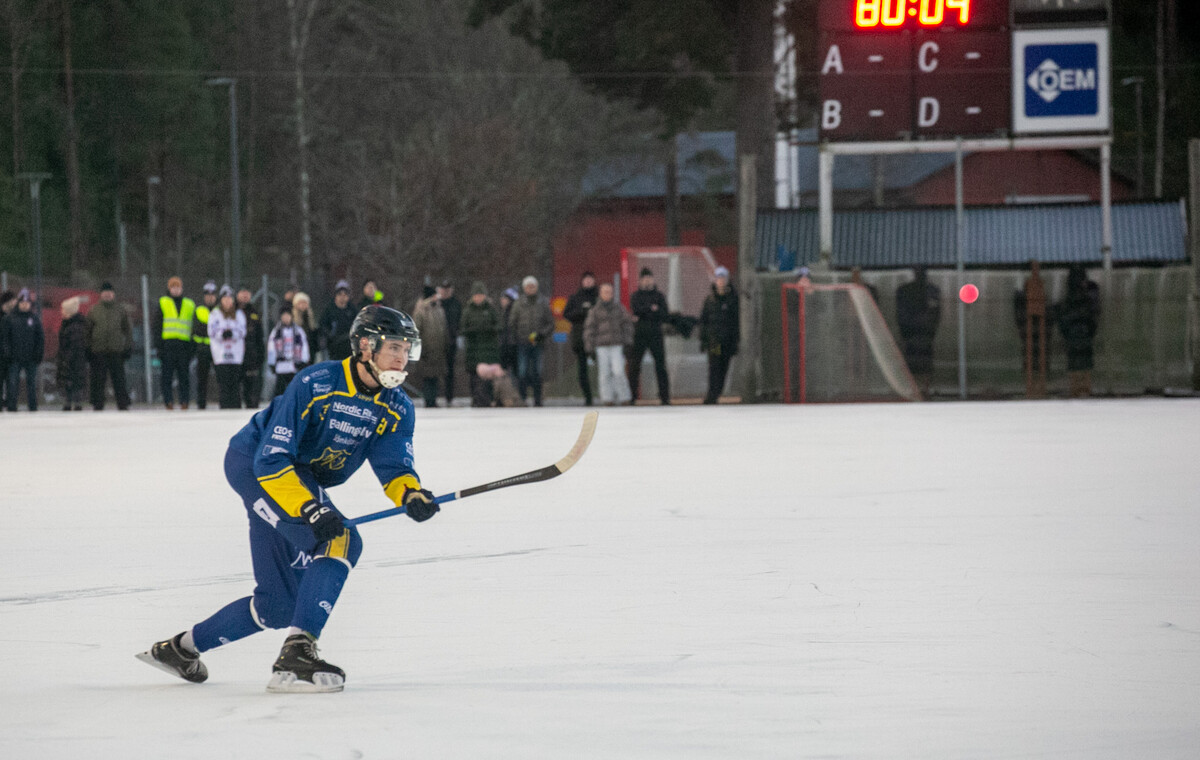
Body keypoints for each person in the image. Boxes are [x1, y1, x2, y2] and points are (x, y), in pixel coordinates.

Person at [137, 305, 437, 693]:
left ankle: (179, 650)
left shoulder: (397, 406)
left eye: (407, 350)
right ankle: (299, 651)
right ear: (365, 345)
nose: (402, 358)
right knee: (342, 540)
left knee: (277, 606)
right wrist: (309, 507)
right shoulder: (317, 383)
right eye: (394, 347)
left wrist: (410, 493)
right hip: (255, 464)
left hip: (297, 476)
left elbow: (394, 465)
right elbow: (272, 458)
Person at [583, 282, 634, 406]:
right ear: (600, 293)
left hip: (617, 344)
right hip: (601, 346)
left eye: (610, 292)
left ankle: (624, 397)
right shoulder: (595, 310)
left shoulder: (619, 308)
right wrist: (589, 347)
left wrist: (628, 342)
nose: (608, 294)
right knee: (604, 373)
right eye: (605, 292)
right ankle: (607, 399)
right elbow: (589, 329)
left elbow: (627, 325)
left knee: (619, 371)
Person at [508, 276, 554, 406]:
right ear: (524, 288)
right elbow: (512, 323)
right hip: (522, 343)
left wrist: (541, 334)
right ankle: (522, 398)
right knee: (522, 372)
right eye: (528, 286)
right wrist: (516, 338)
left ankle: (538, 399)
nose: (530, 289)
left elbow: (550, 323)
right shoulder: (518, 304)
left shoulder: (543, 303)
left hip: (538, 343)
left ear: (536, 287)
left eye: (533, 286)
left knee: (537, 372)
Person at [1056, 264, 1100, 398]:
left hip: (1073, 333)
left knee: (1074, 363)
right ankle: (1084, 388)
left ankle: (1076, 389)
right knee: (1084, 363)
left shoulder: (1069, 299)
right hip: (1083, 332)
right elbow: (1093, 317)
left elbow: (1063, 318)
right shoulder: (1087, 298)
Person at [895, 266, 941, 396]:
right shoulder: (905, 290)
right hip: (914, 332)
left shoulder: (931, 290)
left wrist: (929, 328)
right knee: (913, 361)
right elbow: (901, 313)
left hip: (923, 332)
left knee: (924, 361)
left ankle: (922, 389)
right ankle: (915, 389)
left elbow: (935, 312)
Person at [86, 282, 132, 411]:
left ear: (113, 294)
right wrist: (88, 348)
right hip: (98, 350)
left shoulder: (121, 310)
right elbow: (87, 331)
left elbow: (127, 330)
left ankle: (123, 403)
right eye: (105, 292)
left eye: (110, 292)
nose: (107, 295)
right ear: (101, 294)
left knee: (119, 379)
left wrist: (127, 347)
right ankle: (97, 403)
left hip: (116, 350)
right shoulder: (93, 310)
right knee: (98, 380)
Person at [628, 267, 670, 405]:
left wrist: (644, 312)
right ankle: (632, 397)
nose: (647, 281)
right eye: (644, 279)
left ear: (653, 280)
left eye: (649, 278)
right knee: (634, 366)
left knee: (660, 366)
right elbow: (636, 310)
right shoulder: (635, 296)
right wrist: (652, 309)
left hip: (656, 334)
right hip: (639, 335)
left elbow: (664, 314)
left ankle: (665, 397)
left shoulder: (659, 296)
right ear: (640, 281)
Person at [699, 266, 739, 405]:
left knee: (723, 367)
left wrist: (735, 341)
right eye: (718, 278)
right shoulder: (709, 300)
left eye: (723, 278)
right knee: (714, 366)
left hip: (727, 341)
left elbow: (736, 322)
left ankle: (717, 392)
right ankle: (712, 394)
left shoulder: (733, 299)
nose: (720, 281)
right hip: (714, 341)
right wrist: (704, 340)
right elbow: (704, 321)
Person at [154, 276, 195, 409]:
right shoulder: (163, 302)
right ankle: (168, 401)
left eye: (178, 287)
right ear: (169, 289)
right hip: (168, 345)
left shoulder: (189, 304)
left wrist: (192, 347)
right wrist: (159, 346)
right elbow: (157, 325)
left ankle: (184, 401)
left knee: (184, 376)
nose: (176, 290)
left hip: (184, 345)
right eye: (173, 287)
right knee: (167, 376)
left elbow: (193, 326)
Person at [459, 281, 501, 407]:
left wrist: (489, 330)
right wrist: (472, 331)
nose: (478, 298)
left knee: (488, 377)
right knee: (474, 376)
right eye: (476, 296)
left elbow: (499, 325)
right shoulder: (467, 311)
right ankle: (476, 398)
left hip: (489, 349)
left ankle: (488, 399)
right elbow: (462, 328)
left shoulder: (491, 309)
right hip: (473, 349)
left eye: (481, 295)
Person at [2, 289, 44, 411]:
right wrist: (7, 353)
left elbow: (40, 338)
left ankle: (33, 407)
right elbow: (5, 338)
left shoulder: (34, 319)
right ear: (18, 303)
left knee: (31, 383)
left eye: (27, 303)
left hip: (31, 358)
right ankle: (12, 407)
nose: (24, 305)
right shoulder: (9, 318)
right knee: (13, 383)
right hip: (14, 358)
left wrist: (38, 354)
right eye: (22, 303)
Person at [209, 286, 248, 409]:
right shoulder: (215, 314)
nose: (227, 301)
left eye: (229, 299)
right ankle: (224, 407)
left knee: (235, 383)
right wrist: (222, 334)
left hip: (236, 354)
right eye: (225, 299)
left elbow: (242, 330)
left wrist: (233, 334)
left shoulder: (239, 314)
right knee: (223, 384)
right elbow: (211, 331)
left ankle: (236, 407)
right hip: (221, 355)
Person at [563, 272, 599, 406]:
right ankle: (588, 397)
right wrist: (582, 312)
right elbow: (566, 314)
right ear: (582, 282)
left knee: (604, 367)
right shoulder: (575, 297)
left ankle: (607, 395)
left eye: (590, 279)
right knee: (582, 370)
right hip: (580, 337)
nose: (588, 282)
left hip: (598, 337)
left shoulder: (599, 297)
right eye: (586, 280)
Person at [411, 285, 447, 407]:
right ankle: (428, 400)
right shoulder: (421, 311)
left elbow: (443, 329)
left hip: (438, 350)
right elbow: (417, 331)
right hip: (426, 351)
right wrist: (421, 349)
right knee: (427, 378)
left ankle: (433, 400)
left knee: (435, 377)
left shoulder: (439, 309)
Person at [267, 306, 311, 397]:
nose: (286, 318)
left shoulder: (298, 331)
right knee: (280, 390)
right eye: (284, 316)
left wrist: (304, 360)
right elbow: (271, 347)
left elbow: (304, 346)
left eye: (288, 316)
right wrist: (272, 362)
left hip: (293, 365)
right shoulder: (276, 331)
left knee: (294, 389)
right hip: (281, 365)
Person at [57, 296, 90, 411]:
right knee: (70, 380)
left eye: (63, 310)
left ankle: (74, 402)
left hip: (74, 360)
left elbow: (75, 345)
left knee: (73, 380)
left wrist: (66, 358)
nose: (61, 312)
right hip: (71, 358)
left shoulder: (74, 326)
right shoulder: (68, 324)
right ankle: (72, 401)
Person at [237, 286, 264, 409]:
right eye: (242, 292)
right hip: (236, 354)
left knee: (252, 386)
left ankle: (251, 407)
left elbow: (259, 336)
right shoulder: (233, 311)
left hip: (251, 354)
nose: (245, 296)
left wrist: (260, 354)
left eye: (247, 293)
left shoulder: (254, 312)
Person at [193, 281, 218, 409]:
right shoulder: (199, 310)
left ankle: (222, 402)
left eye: (212, 295)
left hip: (218, 349)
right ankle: (201, 404)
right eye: (207, 295)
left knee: (220, 378)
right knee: (202, 378)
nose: (210, 297)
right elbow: (197, 329)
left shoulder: (220, 310)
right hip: (203, 349)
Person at [320, 281, 356, 362]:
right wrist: (329, 335)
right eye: (340, 294)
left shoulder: (352, 310)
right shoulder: (329, 310)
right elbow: (323, 326)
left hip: (348, 347)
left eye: (345, 294)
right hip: (333, 347)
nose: (342, 297)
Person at [438, 280, 462, 405]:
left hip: (451, 341)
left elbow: (460, 322)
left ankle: (449, 397)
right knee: (435, 370)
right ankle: (433, 397)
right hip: (437, 342)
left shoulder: (456, 304)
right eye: (444, 289)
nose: (446, 291)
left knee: (450, 371)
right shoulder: (436, 304)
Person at [291, 292, 319, 362]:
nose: (303, 305)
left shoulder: (310, 317)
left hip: (310, 349)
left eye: (304, 302)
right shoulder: (292, 318)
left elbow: (313, 332)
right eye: (300, 303)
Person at [498, 287, 519, 376]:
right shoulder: (503, 312)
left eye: (504, 298)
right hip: (506, 345)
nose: (502, 300)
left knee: (515, 372)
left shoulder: (512, 313)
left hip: (512, 346)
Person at [0, 290, 15, 409]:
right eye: (13, 300)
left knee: (11, 381)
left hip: (11, 355)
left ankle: (11, 404)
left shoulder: (14, 317)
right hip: (1, 354)